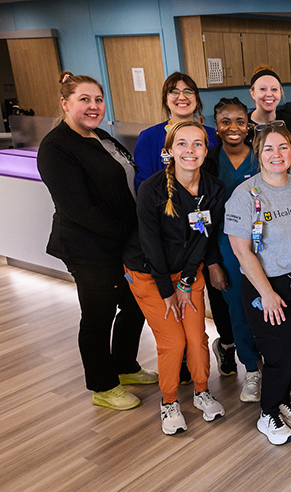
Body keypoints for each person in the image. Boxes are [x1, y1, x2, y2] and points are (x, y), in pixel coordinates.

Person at [37, 71, 156, 411]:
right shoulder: (56, 148)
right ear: (65, 103)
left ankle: (124, 366)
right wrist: (131, 233)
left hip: (123, 242)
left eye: (98, 99)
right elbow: (79, 209)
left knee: (135, 305)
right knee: (97, 315)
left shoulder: (101, 137)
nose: (93, 106)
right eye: (84, 100)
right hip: (87, 247)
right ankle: (102, 385)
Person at [124, 121, 227, 435]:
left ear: (206, 150)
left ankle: (201, 391)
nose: (190, 151)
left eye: (197, 144)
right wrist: (168, 290)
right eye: (182, 144)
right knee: (173, 342)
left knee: (196, 339)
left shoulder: (214, 188)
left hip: (187, 272)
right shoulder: (151, 190)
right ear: (168, 151)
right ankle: (169, 401)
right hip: (148, 273)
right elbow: (151, 244)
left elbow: (202, 238)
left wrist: (184, 283)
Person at [226, 122, 291, 446]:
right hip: (265, 284)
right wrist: (266, 293)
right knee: (278, 353)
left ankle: (282, 398)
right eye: (269, 149)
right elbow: (241, 249)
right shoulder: (245, 195)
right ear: (259, 155)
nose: (276, 154)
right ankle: (268, 413)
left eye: (283, 147)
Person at [133, 72, 227, 383]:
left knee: (195, 332)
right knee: (174, 339)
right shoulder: (149, 142)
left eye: (188, 91)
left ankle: (202, 383)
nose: (181, 96)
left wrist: (194, 270)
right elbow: (145, 195)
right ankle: (174, 391)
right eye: (174, 91)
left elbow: (206, 215)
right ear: (171, 149)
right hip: (158, 252)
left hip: (194, 253)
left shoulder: (213, 140)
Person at [202, 97, 263, 402]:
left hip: (267, 246)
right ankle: (251, 370)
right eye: (225, 122)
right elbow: (204, 218)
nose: (233, 128)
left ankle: (274, 367)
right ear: (216, 127)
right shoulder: (208, 162)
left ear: (249, 126)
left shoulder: (264, 156)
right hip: (227, 248)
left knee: (269, 309)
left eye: (240, 121)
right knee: (239, 312)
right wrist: (212, 262)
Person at [248, 65, 291, 141]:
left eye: (274, 89)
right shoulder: (243, 126)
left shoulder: (290, 123)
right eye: (263, 89)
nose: (269, 94)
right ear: (253, 93)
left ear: (281, 93)